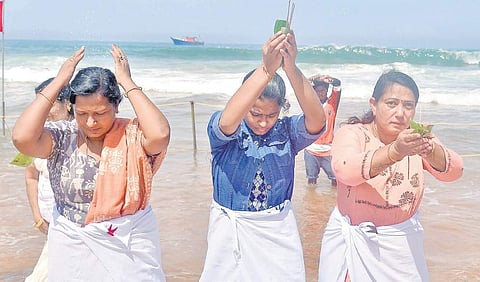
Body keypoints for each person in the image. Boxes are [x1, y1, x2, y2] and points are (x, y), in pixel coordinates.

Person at [12, 44, 170, 281]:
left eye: (100, 113)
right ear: (71, 107)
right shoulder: (62, 137)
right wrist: (60, 80)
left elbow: (160, 135)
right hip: (71, 245)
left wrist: (126, 81)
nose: (91, 122)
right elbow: (22, 138)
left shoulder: (134, 135)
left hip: (128, 247)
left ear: (117, 105)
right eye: (82, 113)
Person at [200, 30, 326, 282]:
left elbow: (317, 120)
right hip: (231, 230)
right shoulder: (227, 132)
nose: (262, 123)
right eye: (255, 114)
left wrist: (290, 68)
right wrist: (266, 69)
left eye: (271, 115)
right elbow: (227, 120)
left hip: (277, 229)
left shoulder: (287, 132)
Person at [317, 70, 463, 281]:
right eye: (392, 103)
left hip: (401, 245)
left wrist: (430, 150)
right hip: (356, 242)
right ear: (373, 104)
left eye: (408, 105)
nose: (400, 113)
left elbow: (455, 171)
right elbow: (344, 170)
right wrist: (395, 152)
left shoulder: (417, 138)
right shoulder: (354, 133)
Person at [24, 78, 73, 282]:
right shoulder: (35, 135)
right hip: (48, 224)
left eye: (49, 103)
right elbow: (30, 175)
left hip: (71, 227)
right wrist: (37, 216)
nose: (43, 111)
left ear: (68, 103)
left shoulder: (81, 135)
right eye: (39, 104)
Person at [304, 74, 341, 186]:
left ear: (327, 92)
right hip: (311, 150)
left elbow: (338, 84)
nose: (320, 93)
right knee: (311, 181)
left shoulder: (332, 104)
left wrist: (329, 79)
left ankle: (334, 200)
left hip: (328, 151)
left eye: (323, 90)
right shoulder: (309, 104)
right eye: (318, 91)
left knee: (336, 179)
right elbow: (303, 86)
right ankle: (312, 203)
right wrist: (313, 78)